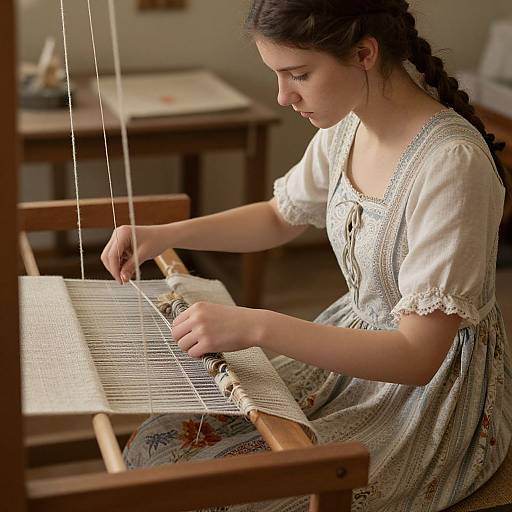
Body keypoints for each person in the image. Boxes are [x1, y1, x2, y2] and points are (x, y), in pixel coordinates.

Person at [101, 1, 512, 510]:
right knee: (158, 445)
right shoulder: (347, 129)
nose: (282, 96)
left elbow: (419, 356)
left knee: (233, 495)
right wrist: (164, 233)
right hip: (356, 353)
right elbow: (279, 215)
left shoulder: (451, 165)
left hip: (427, 398)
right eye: (277, 75)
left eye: (298, 74)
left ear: (364, 53)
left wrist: (256, 326)